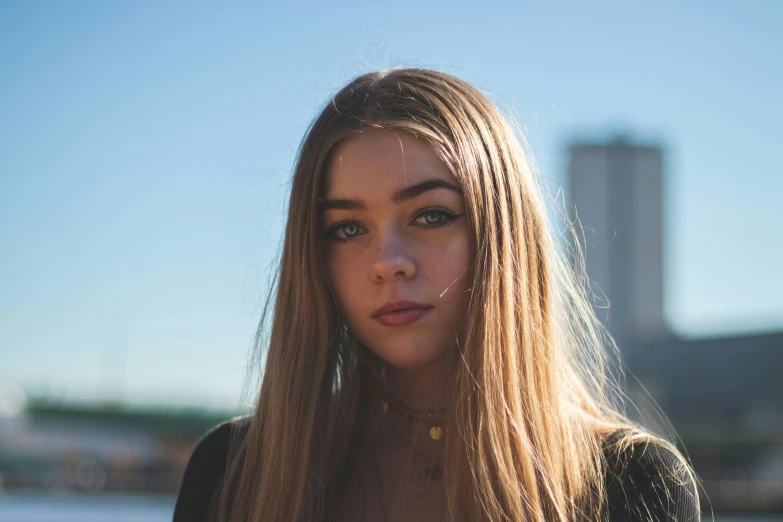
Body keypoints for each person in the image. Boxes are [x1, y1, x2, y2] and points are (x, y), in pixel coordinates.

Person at [173, 67, 700, 521]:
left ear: (503, 235)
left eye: (431, 216)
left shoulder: (631, 484)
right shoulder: (234, 472)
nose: (388, 263)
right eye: (348, 229)